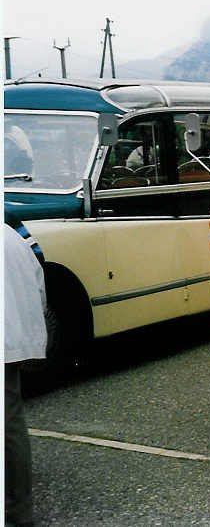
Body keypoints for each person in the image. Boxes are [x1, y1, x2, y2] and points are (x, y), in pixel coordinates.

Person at [4, 224, 48, 527]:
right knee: (10, 425)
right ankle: (18, 511)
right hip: (12, 343)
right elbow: (40, 287)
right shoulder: (10, 235)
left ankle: (16, 514)